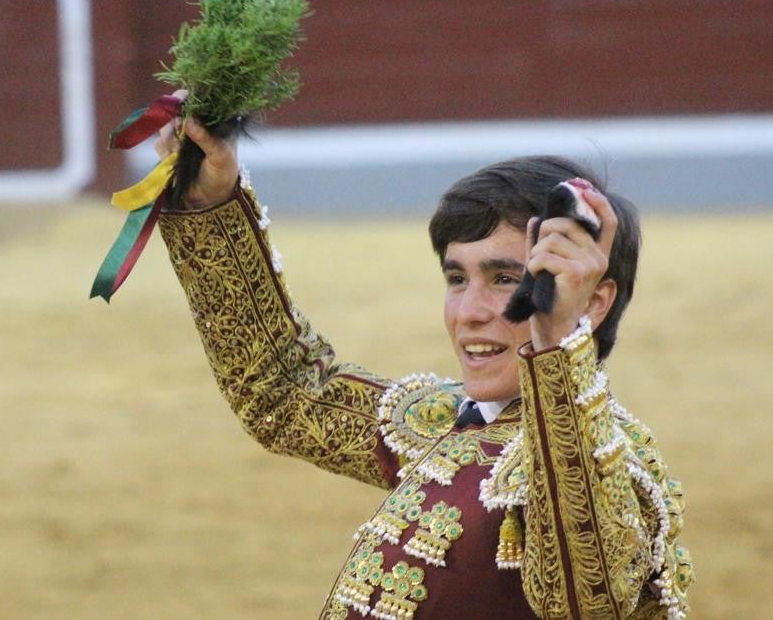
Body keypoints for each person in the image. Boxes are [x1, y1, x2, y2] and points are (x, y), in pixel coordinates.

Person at [150, 103, 694, 619]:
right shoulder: (443, 422)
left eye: (506, 280)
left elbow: (583, 600)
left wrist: (555, 348)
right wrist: (211, 204)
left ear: (592, 303)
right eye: (457, 278)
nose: (469, 312)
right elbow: (286, 393)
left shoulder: (621, 468)